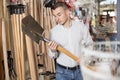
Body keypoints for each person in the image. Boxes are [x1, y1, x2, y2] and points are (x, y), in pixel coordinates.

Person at [48, 2, 93, 80]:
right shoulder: (53, 32)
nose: (57, 19)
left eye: (59, 15)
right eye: (54, 16)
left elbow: (90, 44)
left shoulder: (80, 27)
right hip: (62, 72)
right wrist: (53, 51)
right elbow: (52, 55)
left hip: (80, 71)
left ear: (67, 12)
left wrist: (85, 58)